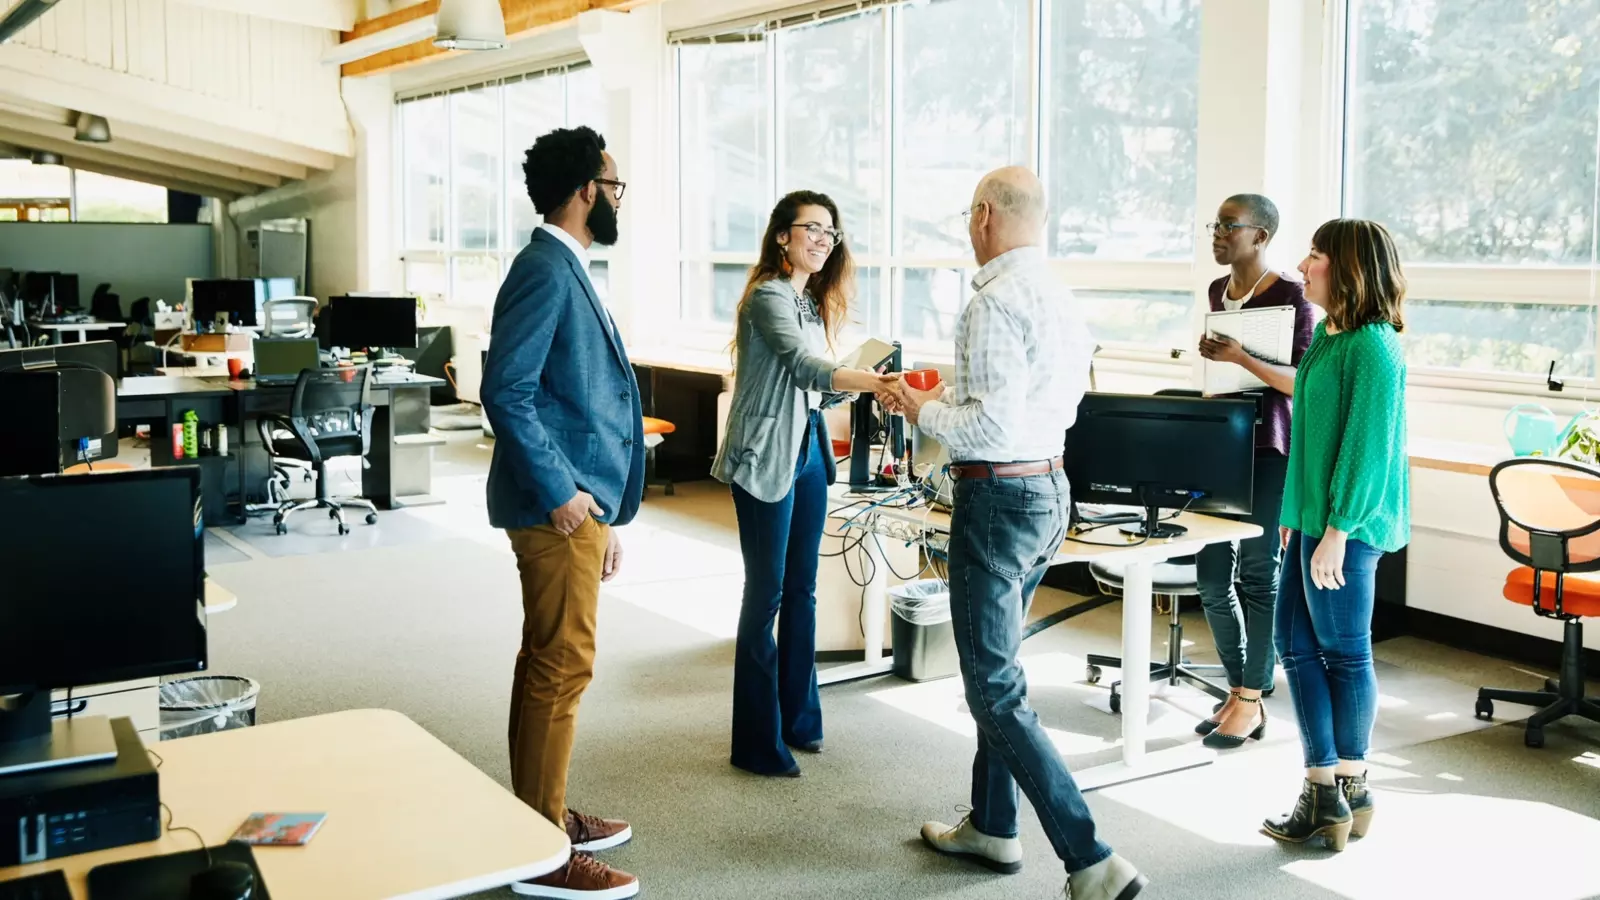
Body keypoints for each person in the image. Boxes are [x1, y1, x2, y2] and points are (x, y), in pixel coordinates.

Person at [884, 168, 1147, 900]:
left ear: (984, 216)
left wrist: (919, 409)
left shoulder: (993, 301)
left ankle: (1090, 858)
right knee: (995, 667)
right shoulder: (1060, 296)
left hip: (998, 498)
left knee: (994, 690)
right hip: (1048, 490)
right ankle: (994, 826)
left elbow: (989, 424)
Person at [480, 126, 644, 899]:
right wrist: (568, 497)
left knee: (544, 661)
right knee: (562, 666)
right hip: (555, 506)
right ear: (586, 190)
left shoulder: (565, 263)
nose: (617, 200)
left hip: (577, 500)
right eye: (613, 187)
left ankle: (533, 817)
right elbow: (505, 390)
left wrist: (598, 504)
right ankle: (543, 854)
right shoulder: (546, 267)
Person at [712, 190, 898, 778]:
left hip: (810, 452)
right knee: (765, 595)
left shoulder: (810, 304)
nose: (822, 239)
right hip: (767, 456)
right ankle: (757, 742)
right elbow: (803, 367)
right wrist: (863, 379)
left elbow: (816, 387)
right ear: (782, 236)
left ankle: (800, 718)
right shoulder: (769, 296)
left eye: (830, 232)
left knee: (802, 591)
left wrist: (864, 379)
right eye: (811, 228)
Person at [1261, 218, 1409, 853]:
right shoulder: (1329, 334)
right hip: (1315, 523)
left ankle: (1348, 784)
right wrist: (1299, 518)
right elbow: (1313, 432)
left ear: (1347, 267)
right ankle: (1327, 790)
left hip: (1348, 528)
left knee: (1345, 653)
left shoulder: (1375, 346)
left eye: (1316, 254)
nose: (1303, 262)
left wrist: (1338, 530)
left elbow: (1367, 451)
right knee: (1292, 643)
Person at [1192, 194, 1314, 748]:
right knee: (1212, 575)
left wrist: (1240, 357)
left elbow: (1301, 385)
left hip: (1272, 448)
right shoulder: (1219, 291)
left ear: (1260, 235)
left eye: (1228, 225)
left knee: (1259, 573)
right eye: (1215, 224)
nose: (1217, 233)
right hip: (1223, 443)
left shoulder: (1295, 296)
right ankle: (1240, 686)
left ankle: (1250, 695)